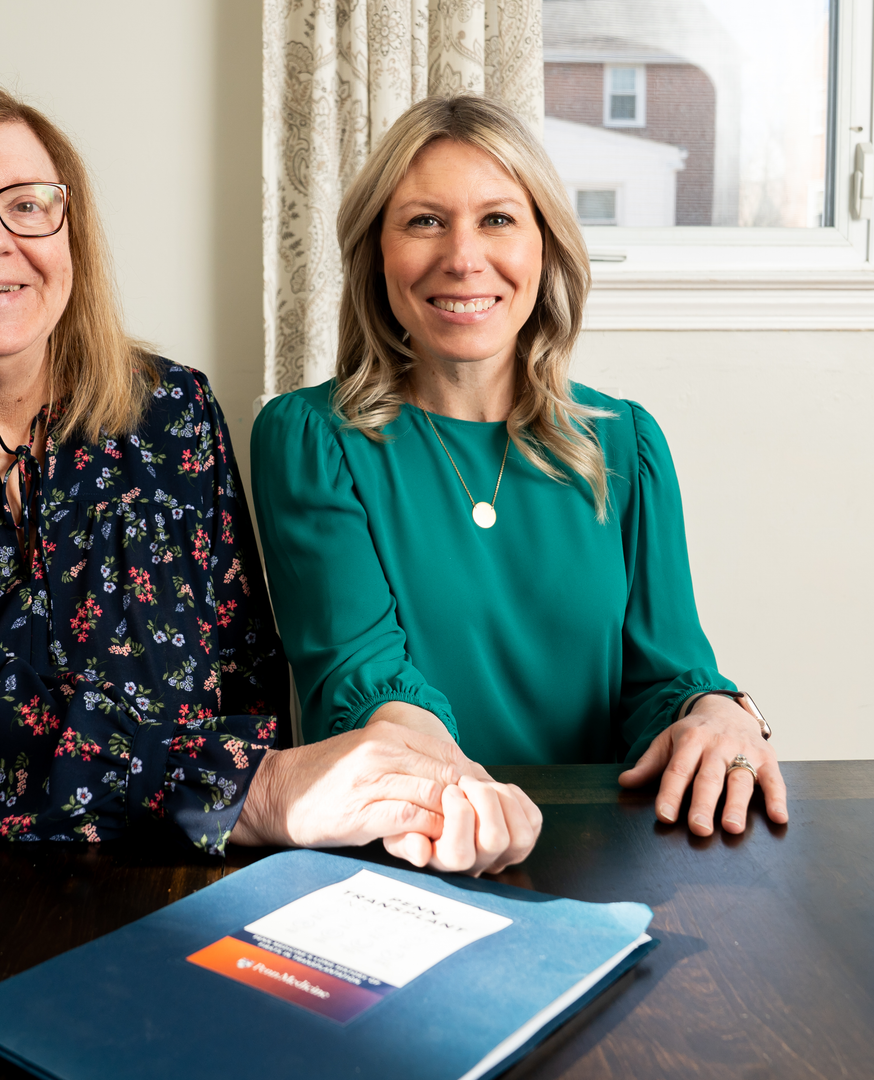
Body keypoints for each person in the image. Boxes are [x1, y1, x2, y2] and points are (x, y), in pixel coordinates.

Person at [0, 84, 532, 871]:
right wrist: (249, 790)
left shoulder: (175, 412)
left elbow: (243, 680)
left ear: (72, 234)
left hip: (165, 875)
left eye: (27, 205)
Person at [251, 95, 788, 839]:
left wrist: (719, 716)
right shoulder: (310, 438)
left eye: (498, 219)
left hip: (605, 853)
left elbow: (665, 680)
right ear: (377, 252)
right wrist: (461, 798)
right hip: (403, 842)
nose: (463, 258)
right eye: (424, 221)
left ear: (545, 246)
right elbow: (362, 682)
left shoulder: (627, 445)